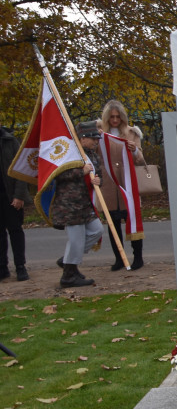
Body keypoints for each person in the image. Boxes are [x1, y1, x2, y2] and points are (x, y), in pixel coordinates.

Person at [52, 122, 104, 287]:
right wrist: (79, 172)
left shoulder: (93, 155)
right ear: (82, 138)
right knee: (76, 241)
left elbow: (99, 175)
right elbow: (56, 175)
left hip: (86, 204)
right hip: (70, 205)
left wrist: (98, 181)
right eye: (93, 138)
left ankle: (68, 261)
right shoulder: (68, 153)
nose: (96, 141)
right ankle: (68, 276)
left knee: (97, 231)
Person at [97, 99, 145, 270]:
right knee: (113, 222)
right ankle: (119, 258)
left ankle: (138, 257)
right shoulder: (99, 132)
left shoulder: (132, 132)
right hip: (109, 182)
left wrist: (135, 150)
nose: (115, 120)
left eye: (118, 117)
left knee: (131, 218)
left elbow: (140, 159)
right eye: (112, 117)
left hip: (128, 181)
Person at [0, 126, 30, 281]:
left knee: (15, 231)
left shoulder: (10, 141)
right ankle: (2, 268)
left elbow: (22, 169)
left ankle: (20, 267)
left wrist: (19, 195)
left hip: (10, 195)